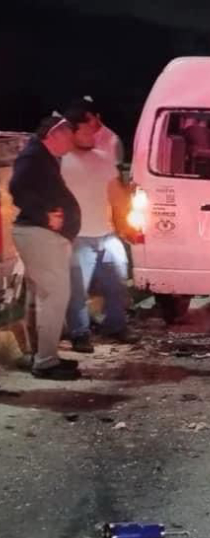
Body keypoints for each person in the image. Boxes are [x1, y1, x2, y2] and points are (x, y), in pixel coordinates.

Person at [9, 116, 83, 380]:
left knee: (44, 299)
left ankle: (43, 356)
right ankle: (45, 361)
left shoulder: (41, 157)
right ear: (54, 134)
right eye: (68, 136)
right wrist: (44, 216)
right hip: (39, 234)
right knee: (53, 297)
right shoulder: (33, 157)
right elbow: (16, 187)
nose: (71, 143)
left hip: (42, 236)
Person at [61, 109, 139, 352]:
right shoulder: (60, 161)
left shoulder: (104, 158)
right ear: (72, 132)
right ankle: (79, 333)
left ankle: (115, 326)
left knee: (117, 284)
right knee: (77, 291)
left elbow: (116, 196)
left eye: (94, 129)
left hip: (106, 235)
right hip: (76, 237)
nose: (93, 135)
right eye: (87, 131)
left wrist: (126, 227)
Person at [65, 96, 123, 163]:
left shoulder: (113, 141)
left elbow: (115, 168)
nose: (87, 125)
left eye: (89, 119)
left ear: (98, 116)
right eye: (83, 121)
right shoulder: (72, 135)